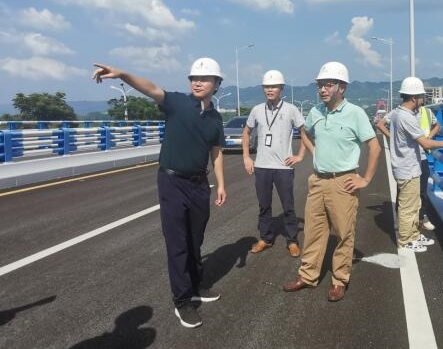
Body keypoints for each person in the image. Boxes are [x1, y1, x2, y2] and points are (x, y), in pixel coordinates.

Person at [92, 58, 227, 329]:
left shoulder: (215, 118)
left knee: (195, 239)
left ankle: (196, 285)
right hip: (172, 182)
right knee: (178, 243)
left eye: (204, 78)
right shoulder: (177, 102)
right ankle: (183, 301)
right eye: (194, 78)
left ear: (217, 84)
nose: (197, 82)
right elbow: (151, 88)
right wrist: (123, 74)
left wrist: (221, 184)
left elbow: (217, 152)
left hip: (199, 184)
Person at [283, 62, 381, 302]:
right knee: (314, 231)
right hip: (318, 180)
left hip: (343, 182)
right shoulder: (316, 112)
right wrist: (313, 152)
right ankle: (308, 275)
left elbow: (375, 147)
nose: (322, 89)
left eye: (328, 85)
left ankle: (339, 279)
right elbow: (304, 132)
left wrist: (365, 178)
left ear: (342, 87)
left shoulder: (355, 113)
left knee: (344, 233)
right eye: (320, 85)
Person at [388, 76, 443, 252]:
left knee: (414, 204)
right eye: (421, 96)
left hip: (407, 165)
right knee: (408, 206)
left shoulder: (397, 113)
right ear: (414, 98)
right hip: (408, 167)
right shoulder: (407, 117)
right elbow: (425, 143)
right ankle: (406, 240)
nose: (423, 99)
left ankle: (413, 234)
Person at [242, 70, 306, 257]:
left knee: (288, 206)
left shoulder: (291, 110)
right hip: (262, 166)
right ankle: (265, 238)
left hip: (283, 167)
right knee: (264, 206)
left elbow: (305, 133)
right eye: (266, 86)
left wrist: (300, 155)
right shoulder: (256, 110)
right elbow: (246, 132)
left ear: (281, 88)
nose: (269, 89)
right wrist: (246, 157)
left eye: (274, 86)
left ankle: (292, 240)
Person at [376, 104, 439, 231]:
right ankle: (401, 219)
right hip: (407, 158)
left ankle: (421, 217)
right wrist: (392, 137)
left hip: (422, 156)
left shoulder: (427, 112)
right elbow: (380, 124)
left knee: (422, 190)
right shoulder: (399, 113)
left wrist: (429, 137)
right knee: (404, 190)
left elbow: (437, 125)